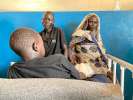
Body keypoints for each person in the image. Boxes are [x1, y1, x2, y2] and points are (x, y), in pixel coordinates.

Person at [8, 28, 81, 79]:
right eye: (42, 43)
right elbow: (78, 76)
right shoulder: (59, 60)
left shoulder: (13, 70)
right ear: (35, 46)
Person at [68, 13, 112, 82]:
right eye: (91, 22)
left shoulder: (97, 36)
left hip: (96, 61)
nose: (93, 24)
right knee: (81, 74)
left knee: (106, 75)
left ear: (98, 24)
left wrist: (104, 59)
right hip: (83, 61)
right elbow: (71, 45)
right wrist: (74, 56)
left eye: (95, 22)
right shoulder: (80, 33)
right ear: (87, 22)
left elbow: (101, 50)